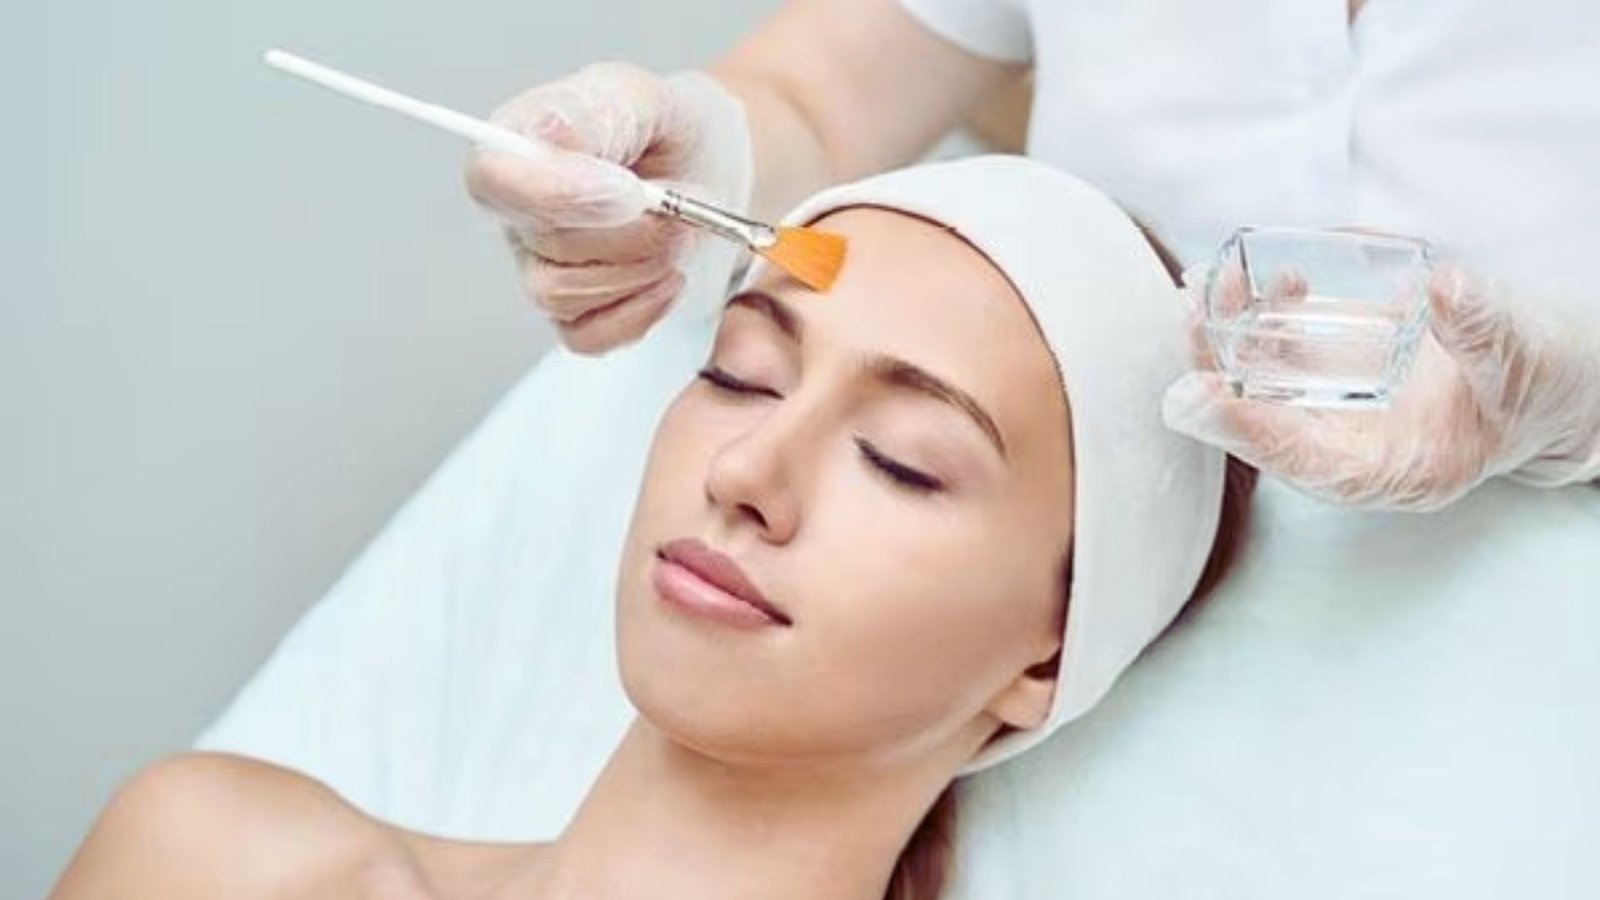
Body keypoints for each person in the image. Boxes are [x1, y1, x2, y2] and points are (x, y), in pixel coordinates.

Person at [52, 158, 1255, 900]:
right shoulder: (216, 859)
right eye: (739, 374)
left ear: (1046, 653)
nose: (746, 470)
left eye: (900, 460)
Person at [464, 0, 1600, 513]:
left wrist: (1576, 405)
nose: (741, 484)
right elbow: (824, 92)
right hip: (1106, 523)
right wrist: (697, 153)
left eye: (905, 462)